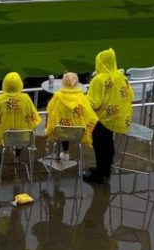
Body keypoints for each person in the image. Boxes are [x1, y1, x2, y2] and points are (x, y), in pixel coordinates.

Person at [85, 48, 134, 184]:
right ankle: (105, 168)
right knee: (108, 142)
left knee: (100, 144)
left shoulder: (98, 79)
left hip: (103, 119)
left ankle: (101, 173)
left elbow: (94, 103)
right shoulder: (120, 75)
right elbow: (131, 94)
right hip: (119, 117)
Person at [0, 72, 41, 165]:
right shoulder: (26, 98)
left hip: (2, 135)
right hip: (22, 135)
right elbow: (34, 117)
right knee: (21, 133)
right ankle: (17, 158)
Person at [45, 72, 98, 160]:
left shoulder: (57, 96)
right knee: (67, 127)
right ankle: (66, 153)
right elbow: (90, 116)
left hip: (60, 131)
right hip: (78, 133)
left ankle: (65, 152)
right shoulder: (82, 97)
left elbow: (50, 112)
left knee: (63, 127)